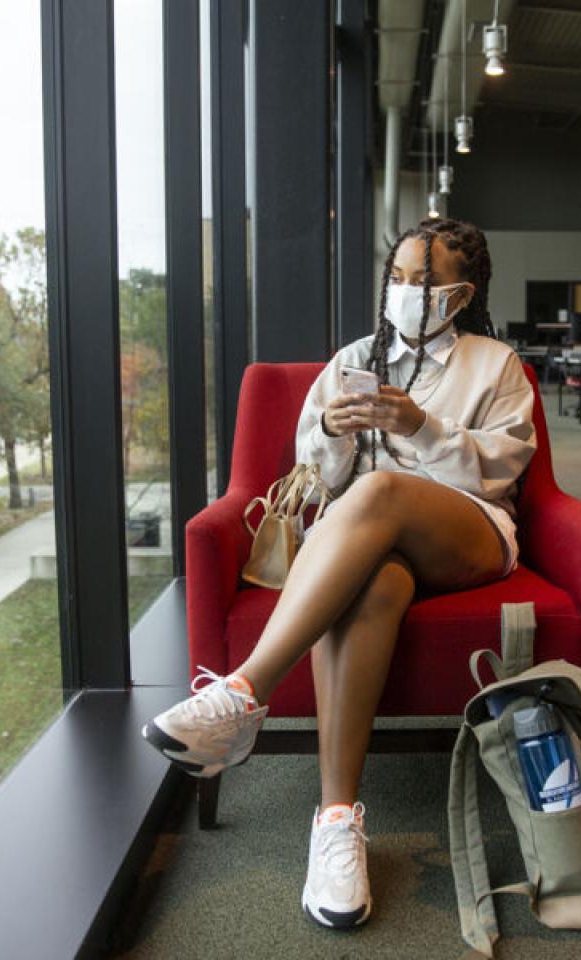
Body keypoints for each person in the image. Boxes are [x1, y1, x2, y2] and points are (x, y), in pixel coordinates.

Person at [140, 218, 537, 931]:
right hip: (372, 547)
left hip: (469, 535)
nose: (409, 292)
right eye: (401, 279)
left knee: (381, 492)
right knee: (376, 580)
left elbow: (500, 472)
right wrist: (332, 430)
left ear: (462, 294)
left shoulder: (495, 364)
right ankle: (335, 825)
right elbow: (315, 482)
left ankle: (241, 693)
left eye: (428, 282)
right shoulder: (356, 356)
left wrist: (420, 427)